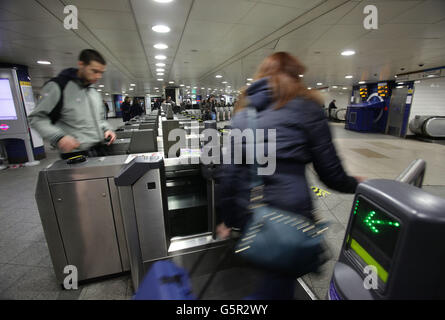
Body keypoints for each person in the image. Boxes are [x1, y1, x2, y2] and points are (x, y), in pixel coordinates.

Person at [216, 52, 364, 299]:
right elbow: (330, 173)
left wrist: (226, 218)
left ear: (262, 76)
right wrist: (356, 184)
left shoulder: (243, 115)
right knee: (277, 283)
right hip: (291, 212)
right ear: (296, 77)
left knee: (273, 275)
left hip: (252, 212)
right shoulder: (308, 109)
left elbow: (229, 173)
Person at [29, 49, 116, 160]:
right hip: (76, 155)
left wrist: (107, 129)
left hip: (99, 150)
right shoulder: (58, 86)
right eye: (94, 71)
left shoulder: (93, 91)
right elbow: (36, 118)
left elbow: (99, 120)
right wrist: (59, 137)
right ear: (81, 64)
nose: (98, 76)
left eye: (101, 73)